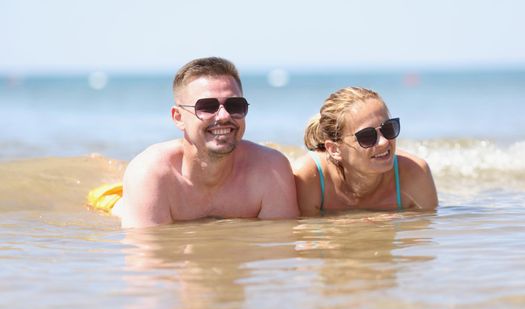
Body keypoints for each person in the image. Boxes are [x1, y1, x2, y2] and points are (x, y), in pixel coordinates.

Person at [88, 57, 299, 228]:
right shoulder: (151, 174)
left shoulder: (272, 171)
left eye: (235, 105)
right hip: (113, 199)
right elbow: (148, 268)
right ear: (178, 117)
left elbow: (277, 260)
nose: (224, 115)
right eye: (207, 106)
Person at [293, 87, 438, 216]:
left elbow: (425, 236)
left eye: (388, 129)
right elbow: (305, 236)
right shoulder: (308, 177)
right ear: (335, 149)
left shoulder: (415, 173)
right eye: (367, 137)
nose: (384, 142)